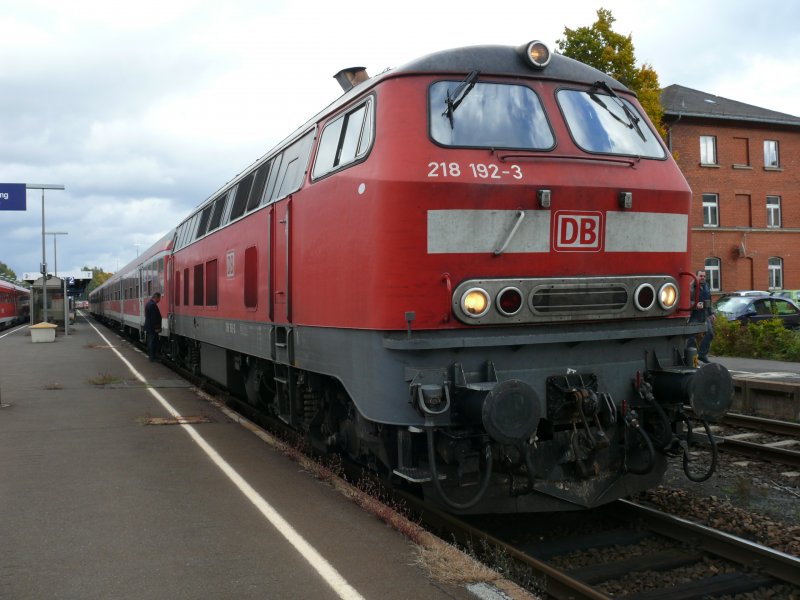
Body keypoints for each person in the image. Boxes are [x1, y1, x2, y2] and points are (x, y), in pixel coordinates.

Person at [689, 270, 716, 363]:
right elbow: (685, 301)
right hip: (694, 315)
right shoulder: (691, 287)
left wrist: (712, 313)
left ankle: (702, 355)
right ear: (696, 276)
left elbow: (709, 301)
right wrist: (694, 304)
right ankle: (690, 358)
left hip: (705, 315)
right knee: (690, 336)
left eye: (704, 276)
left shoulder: (706, 286)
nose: (703, 278)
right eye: (701, 276)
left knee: (710, 334)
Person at [144, 292, 162, 362]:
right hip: (152, 328)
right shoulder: (152, 305)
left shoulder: (149, 304)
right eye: (159, 298)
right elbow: (154, 318)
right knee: (153, 342)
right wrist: (157, 328)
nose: (159, 300)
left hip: (150, 327)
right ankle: (153, 357)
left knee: (150, 342)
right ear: (156, 297)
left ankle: (151, 356)